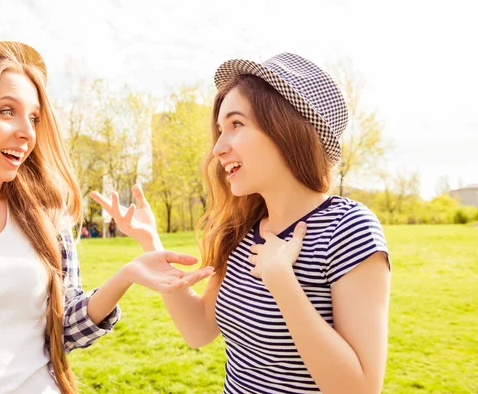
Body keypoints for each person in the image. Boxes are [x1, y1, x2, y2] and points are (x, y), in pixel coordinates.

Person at [0, 38, 206, 394]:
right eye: (6, 111)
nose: (28, 132)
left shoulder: (46, 217)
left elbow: (62, 331)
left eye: (34, 117)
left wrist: (124, 277)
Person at [93, 53, 391, 393]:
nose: (218, 148)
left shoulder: (349, 228)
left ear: (286, 129)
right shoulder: (241, 230)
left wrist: (281, 280)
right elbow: (200, 330)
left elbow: (360, 389)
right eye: (220, 130)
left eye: (236, 125)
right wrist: (151, 243)